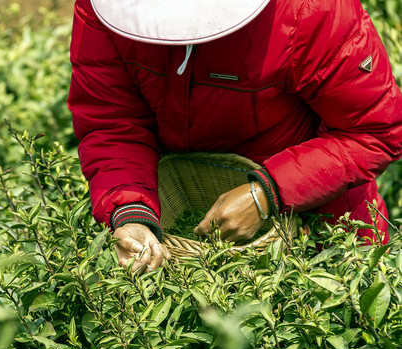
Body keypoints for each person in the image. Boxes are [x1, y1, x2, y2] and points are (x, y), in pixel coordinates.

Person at [67, 0, 402, 272]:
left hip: (322, 232)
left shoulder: (309, 10)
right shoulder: (104, 11)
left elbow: (375, 129)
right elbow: (112, 122)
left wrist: (267, 193)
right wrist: (129, 210)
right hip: (182, 250)